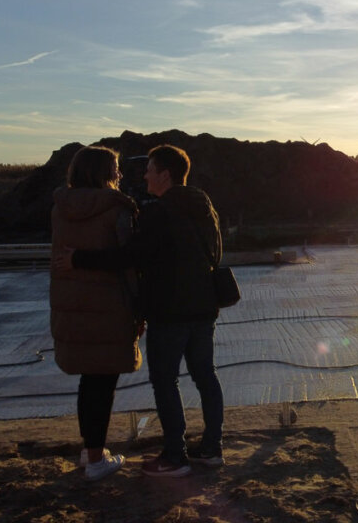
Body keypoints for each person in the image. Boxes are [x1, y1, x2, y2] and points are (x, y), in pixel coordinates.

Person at [63, 144, 225, 478]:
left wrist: (78, 258)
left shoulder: (157, 212)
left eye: (150, 169)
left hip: (169, 311)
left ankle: (175, 456)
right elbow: (216, 253)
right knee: (205, 376)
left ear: (165, 174)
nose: (145, 175)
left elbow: (131, 256)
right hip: (204, 308)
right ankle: (212, 448)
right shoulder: (204, 205)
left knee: (165, 382)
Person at [50, 146, 141, 482]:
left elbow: (60, 258)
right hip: (109, 307)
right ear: (104, 172)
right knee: (103, 383)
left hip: (72, 304)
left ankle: (90, 450)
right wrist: (138, 308)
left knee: (89, 382)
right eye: (115, 168)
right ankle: (95, 459)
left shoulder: (60, 209)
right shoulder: (117, 209)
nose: (119, 174)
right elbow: (128, 260)